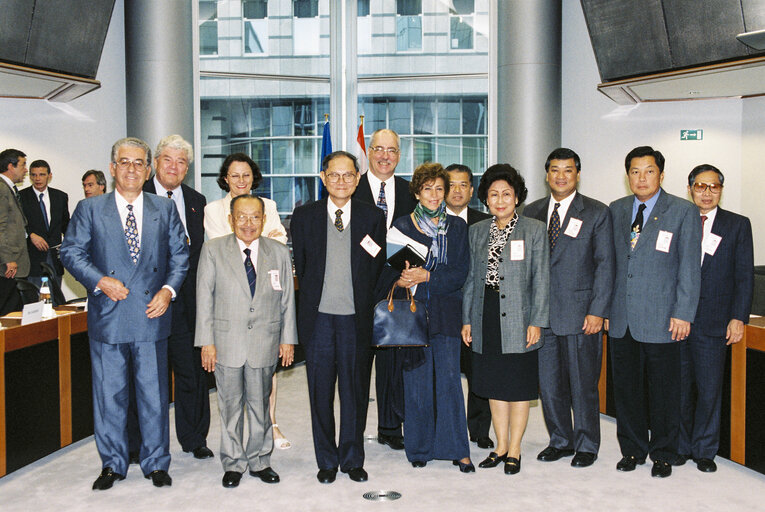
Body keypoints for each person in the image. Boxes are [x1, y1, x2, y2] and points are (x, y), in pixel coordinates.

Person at [60, 137, 189, 490]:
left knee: (154, 397)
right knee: (109, 396)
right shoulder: (90, 209)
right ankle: (113, 464)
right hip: (109, 315)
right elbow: (71, 252)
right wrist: (100, 280)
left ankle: (156, 463)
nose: (132, 169)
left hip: (152, 312)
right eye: (124, 162)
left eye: (138, 163)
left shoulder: (164, 209)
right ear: (113, 168)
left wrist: (167, 290)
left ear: (148, 170)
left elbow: (180, 256)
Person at [291, 151, 386, 484]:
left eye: (348, 175)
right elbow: (301, 268)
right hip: (317, 320)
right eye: (334, 175)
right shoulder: (304, 217)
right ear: (322, 177)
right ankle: (327, 460)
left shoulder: (372, 217)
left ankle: (352, 458)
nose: (341, 181)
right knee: (319, 393)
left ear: (358, 178)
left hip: (356, 321)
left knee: (355, 392)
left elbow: (377, 265)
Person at [607, 146, 701, 478]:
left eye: (648, 171)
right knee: (627, 391)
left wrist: (684, 313)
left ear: (661, 174)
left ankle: (665, 452)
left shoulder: (682, 211)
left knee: (664, 391)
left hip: (664, 319)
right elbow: (610, 267)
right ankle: (632, 449)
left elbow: (689, 268)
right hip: (622, 320)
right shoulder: (616, 210)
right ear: (627, 175)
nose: (641, 177)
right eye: (635, 171)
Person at [196, 194, 296, 489]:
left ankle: (260, 460)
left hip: (265, 341)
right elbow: (204, 299)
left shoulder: (278, 251)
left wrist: (287, 339)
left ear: (264, 220)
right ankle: (233, 462)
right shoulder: (213, 250)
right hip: (225, 343)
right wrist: (206, 342)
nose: (248, 223)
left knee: (259, 404)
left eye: (255, 217)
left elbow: (287, 300)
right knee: (230, 406)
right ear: (231, 219)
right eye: (241, 217)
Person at [522, 148, 614, 468]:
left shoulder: (596, 212)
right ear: (546, 174)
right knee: (548, 384)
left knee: (582, 384)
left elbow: (605, 266)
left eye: (568, 170)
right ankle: (560, 439)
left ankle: (587, 443)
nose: (561, 176)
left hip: (580, 315)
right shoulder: (531, 211)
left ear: (577, 174)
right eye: (555, 170)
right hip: (541, 315)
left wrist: (597, 311)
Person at [382, 162, 473, 472]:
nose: (434, 195)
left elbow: (460, 273)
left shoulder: (458, 227)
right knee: (416, 382)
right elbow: (388, 271)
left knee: (449, 381)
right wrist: (401, 280)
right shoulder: (402, 227)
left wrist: (428, 276)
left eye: (439, 189)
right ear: (417, 193)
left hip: (447, 314)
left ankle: (457, 449)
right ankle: (419, 447)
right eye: (427, 189)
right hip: (413, 315)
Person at [462, 164, 549, 475]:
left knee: (518, 386)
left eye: (506, 194)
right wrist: (468, 318)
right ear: (486, 199)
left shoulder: (533, 229)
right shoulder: (477, 231)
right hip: (485, 313)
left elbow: (541, 279)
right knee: (495, 384)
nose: (500, 200)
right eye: (494, 194)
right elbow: (472, 279)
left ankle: (515, 450)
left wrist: (537, 320)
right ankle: (499, 446)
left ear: (517, 197)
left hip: (520, 317)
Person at [204, 152, 290, 448]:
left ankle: (266, 440)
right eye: (234, 175)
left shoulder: (269, 205)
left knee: (262, 388)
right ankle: (232, 457)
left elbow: (277, 244)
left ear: (253, 177)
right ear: (225, 178)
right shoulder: (213, 210)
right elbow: (224, 246)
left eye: (246, 175)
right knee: (230, 402)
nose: (241, 180)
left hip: (264, 311)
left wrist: (266, 237)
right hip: (229, 317)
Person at [142, 134, 212, 460]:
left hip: (189, 304)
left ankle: (194, 438)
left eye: (181, 161)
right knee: (147, 377)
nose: (174, 166)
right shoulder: (137, 198)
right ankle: (144, 444)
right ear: (156, 162)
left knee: (191, 373)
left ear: (188, 168)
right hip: (149, 302)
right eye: (168, 159)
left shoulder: (198, 201)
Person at [680, 164, 753, 473]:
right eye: (700, 186)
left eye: (713, 187)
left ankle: (705, 450)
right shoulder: (678, 220)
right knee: (679, 389)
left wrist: (738, 318)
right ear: (690, 189)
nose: (706, 193)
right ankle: (680, 446)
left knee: (710, 390)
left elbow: (744, 277)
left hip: (714, 322)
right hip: (677, 321)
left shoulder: (737, 225)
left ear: (721, 190)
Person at [352, 128, 417, 451]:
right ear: (370, 152)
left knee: (393, 362)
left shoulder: (410, 191)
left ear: (399, 155)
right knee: (358, 361)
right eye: (378, 148)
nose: (384, 156)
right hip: (358, 288)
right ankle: (354, 427)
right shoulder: (351, 187)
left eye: (391, 150)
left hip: (397, 286)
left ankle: (391, 427)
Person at [444, 163, 493, 450]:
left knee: (479, 371)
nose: (457, 190)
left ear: (472, 190)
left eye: (463, 184)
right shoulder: (430, 220)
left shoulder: (486, 222)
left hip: (477, 308)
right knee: (446, 372)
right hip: (444, 307)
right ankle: (448, 427)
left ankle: (479, 428)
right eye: (451, 184)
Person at [19, 160, 70, 289]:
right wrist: (30, 234)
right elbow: (17, 224)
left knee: (55, 300)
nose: (37, 179)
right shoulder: (21, 197)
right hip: (33, 258)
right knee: (35, 301)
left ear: (49, 176)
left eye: (41, 174)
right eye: (34, 175)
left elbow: (66, 225)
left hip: (55, 258)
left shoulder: (60, 196)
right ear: (29, 176)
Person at [0, 148, 29, 316]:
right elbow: (0, 227)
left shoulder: (8, 188)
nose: (25, 170)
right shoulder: (2, 189)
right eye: (23, 165)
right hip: (8, 266)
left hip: (14, 264)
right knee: (7, 314)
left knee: (14, 313)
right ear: (11, 166)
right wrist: (8, 259)